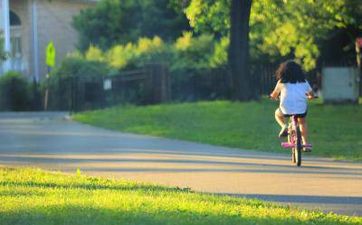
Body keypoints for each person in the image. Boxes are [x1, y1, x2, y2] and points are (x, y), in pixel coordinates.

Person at [270, 60, 314, 152]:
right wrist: (310, 97)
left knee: (277, 114)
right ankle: (305, 144)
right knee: (302, 122)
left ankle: (284, 126)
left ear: (283, 71)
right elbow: (311, 94)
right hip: (301, 108)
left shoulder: (281, 82)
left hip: (286, 109)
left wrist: (273, 97)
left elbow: (274, 94)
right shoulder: (304, 81)